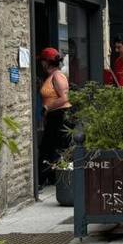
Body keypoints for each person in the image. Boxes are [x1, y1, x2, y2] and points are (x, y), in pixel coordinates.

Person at [38, 47, 72, 187]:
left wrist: (47, 107)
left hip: (58, 115)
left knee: (50, 148)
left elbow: (64, 97)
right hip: (54, 116)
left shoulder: (57, 75)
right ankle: (51, 178)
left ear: (46, 62)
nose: (41, 64)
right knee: (50, 148)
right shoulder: (52, 76)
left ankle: (44, 179)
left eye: (42, 61)